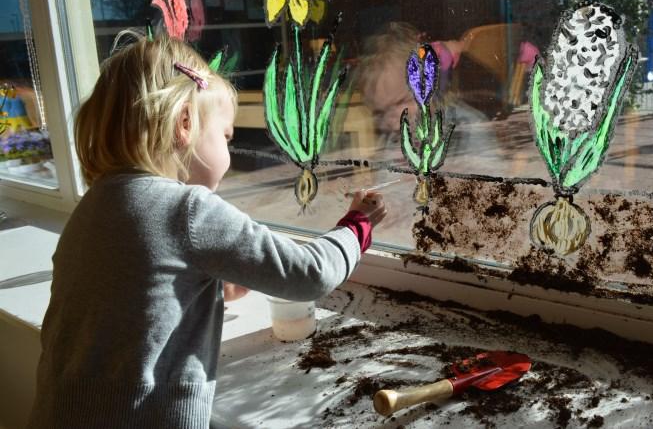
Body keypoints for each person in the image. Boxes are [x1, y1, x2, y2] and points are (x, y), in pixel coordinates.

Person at [27, 36, 386, 428]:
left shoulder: (93, 207)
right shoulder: (188, 209)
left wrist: (205, 288)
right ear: (185, 124)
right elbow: (309, 273)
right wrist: (358, 225)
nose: (229, 153)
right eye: (226, 135)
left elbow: (129, 299)